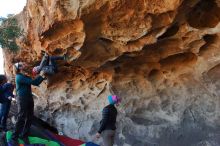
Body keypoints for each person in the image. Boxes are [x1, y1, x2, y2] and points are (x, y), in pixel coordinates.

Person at [9, 62, 46, 146]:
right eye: (22, 64)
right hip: (22, 98)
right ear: (20, 68)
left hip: (28, 97)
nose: (25, 64)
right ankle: (14, 137)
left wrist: (42, 76)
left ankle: (24, 135)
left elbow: (36, 82)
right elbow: (34, 82)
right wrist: (41, 75)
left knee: (29, 116)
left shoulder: (24, 76)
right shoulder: (19, 77)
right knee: (21, 116)